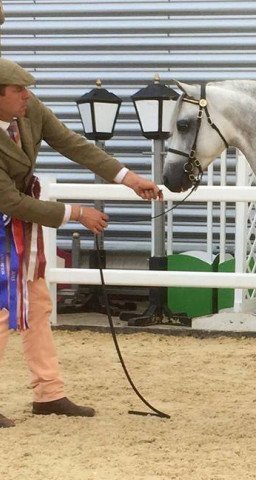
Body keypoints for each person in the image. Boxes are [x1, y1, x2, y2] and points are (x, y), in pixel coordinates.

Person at [0, 57, 162, 428]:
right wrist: (75, 213)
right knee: (2, 308)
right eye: (18, 90)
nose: (28, 95)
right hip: (6, 218)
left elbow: (73, 144)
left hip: (18, 225)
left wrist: (128, 178)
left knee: (36, 304)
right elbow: (8, 201)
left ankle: (49, 392)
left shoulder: (30, 110)